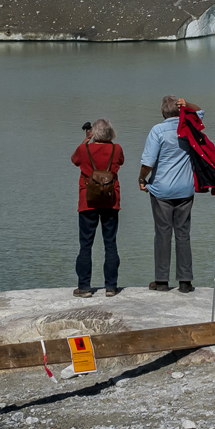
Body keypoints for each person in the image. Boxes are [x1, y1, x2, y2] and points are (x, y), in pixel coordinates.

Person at [140, 96, 201, 293]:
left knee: (163, 234)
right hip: (185, 189)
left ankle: (162, 281)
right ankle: (185, 281)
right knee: (183, 234)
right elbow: (200, 111)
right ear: (180, 110)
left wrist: (142, 179)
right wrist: (188, 104)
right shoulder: (189, 126)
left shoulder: (158, 130)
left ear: (162, 113)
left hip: (162, 190)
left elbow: (148, 162)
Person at [70, 120, 125, 297]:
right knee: (110, 244)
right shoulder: (117, 149)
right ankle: (111, 286)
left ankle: (84, 287)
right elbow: (121, 162)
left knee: (85, 245)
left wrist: (86, 141)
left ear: (92, 133)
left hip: (88, 201)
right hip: (110, 200)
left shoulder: (84, 149)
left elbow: (74, 160)